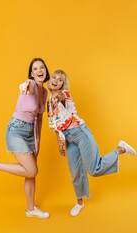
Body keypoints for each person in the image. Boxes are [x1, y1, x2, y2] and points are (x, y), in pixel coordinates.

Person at [47, 69, 136, 217]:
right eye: (54, 77)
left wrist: (58, 95)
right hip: (69, 139)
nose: (56, 80)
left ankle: (120, 149)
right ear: (50, 80)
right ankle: (79, 202)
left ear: (63, 85)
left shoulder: (64, 95)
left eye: (60, 79)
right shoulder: (49, 101)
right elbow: (56, 126)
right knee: (75, 172)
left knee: (94, 169)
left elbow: (61, 96)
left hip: (80, 133)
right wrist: (60, 144)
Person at [0, 58, 50, 219]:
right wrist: (24, 86)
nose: (40, 70)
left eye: (42, 67)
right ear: (31, 73)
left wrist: (38, 141)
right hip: (16, 130)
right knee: (32, 170)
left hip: (31, 133)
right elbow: (27, 86)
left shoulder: (45, 92)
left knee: (31, 173)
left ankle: (30, 209)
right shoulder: (29, 85)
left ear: (45, 71)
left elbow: (39, 119)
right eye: (36, 68)